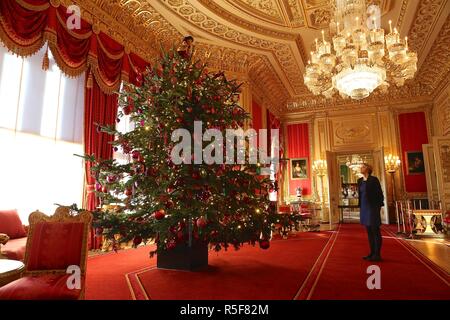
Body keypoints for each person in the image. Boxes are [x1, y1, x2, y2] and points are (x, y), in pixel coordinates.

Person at [358, 163, 384, 262]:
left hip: (373, 207)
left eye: (363, 167)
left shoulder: (374, 180)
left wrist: (378, 207)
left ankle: (377, 254)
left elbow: (380, 194)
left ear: (368, 169)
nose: (361, 168)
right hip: (364, 208)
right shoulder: (359, 181)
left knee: (375, 230)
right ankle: (372, 253)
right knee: (369, 231)